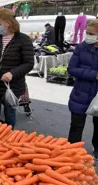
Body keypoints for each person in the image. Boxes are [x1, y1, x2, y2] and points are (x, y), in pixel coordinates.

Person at [67, 20, 98, 159]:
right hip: (81, 92)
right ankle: (72, 152)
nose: (88, 36)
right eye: (87, 32)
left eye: (92, 33)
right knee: (76, 126)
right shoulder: (81, 48)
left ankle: (97, 149)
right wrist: (93, 75)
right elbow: (71, 69)